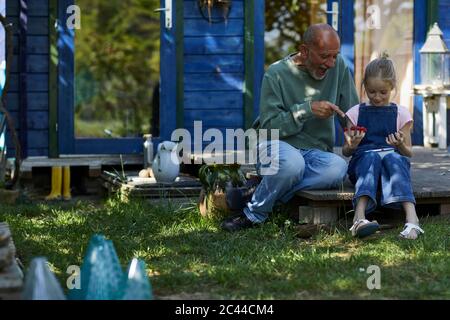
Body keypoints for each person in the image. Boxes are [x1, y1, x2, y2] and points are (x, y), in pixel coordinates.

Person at [221, 24, 359, 232]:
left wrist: (353, 132)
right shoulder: (276, 74)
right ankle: (253, 214)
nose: (331, 63)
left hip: (314, 151)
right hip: (274, 144)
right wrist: (307, 110)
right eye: (324, 57)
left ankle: (262, 189)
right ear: (304, 51)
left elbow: (351, 113)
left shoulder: (338, 66)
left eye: (335, 56)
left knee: (338, 169)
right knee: (292, 164)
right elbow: (269, 126)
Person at [343, 53, 424, 240]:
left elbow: (408, 153)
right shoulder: (354, 113)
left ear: (392, 88)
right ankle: (359, 217)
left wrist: (401, 145)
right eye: (371, 92)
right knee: (370, 157)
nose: (377, 97)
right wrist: (352, 144)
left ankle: (412, 220)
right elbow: (346, 151)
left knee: (394, 157)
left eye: (383, 92)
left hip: (391, 167)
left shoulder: (401, 114)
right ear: (364, 86)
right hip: (364, 164)